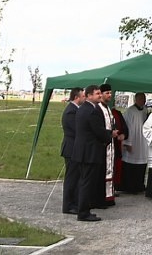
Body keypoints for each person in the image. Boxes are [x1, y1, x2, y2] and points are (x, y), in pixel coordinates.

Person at [72, 84, 117, 222]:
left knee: (84, 182)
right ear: (89, 95)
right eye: (97, 93)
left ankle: (84, 209)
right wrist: (110, 135)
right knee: (86, 183)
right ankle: (84, 212)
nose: (100, 95)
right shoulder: (92, 111)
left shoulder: (83, 109)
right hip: (89, 152)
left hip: (82, 151)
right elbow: (98, 131)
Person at [60, 87, 85, 215]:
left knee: (76, 177)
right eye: (83, 96)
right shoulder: (71, 112)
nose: (84, 98)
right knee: (71, 178)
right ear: (76, 97)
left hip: (76, 149)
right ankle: (68, 205)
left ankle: (75, 202)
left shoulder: (76, 110)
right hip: (71, 149)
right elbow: (77, 130)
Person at [94, 83, 120, 206]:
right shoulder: (98, 108)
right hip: (102, 145)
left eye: (110, 93)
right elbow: (98, 128)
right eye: (107, 93)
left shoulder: (108, 108)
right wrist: (110, 133)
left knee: (110, 169)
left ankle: (109, 196)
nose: (109, 95)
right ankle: (100, 198)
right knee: (102, 171)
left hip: (111, 144)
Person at [120, 92, 149, 194]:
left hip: (142, 141)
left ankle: (140, 185)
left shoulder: (145, 110)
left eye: (144, 99)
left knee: (141, 165)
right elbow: (126, 127)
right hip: (133, 140)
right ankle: (130, 187)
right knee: (130, 165)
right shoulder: (130, 111)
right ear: (136, 99)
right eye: (141, 99)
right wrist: (128, 143)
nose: (143, 101)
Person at [109, 100, 129, 198]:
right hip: (106, 144)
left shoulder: (117, 113)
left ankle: (114, 187)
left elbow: (124, 128)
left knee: (116, 165)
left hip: (116, 144)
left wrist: (123, 135)